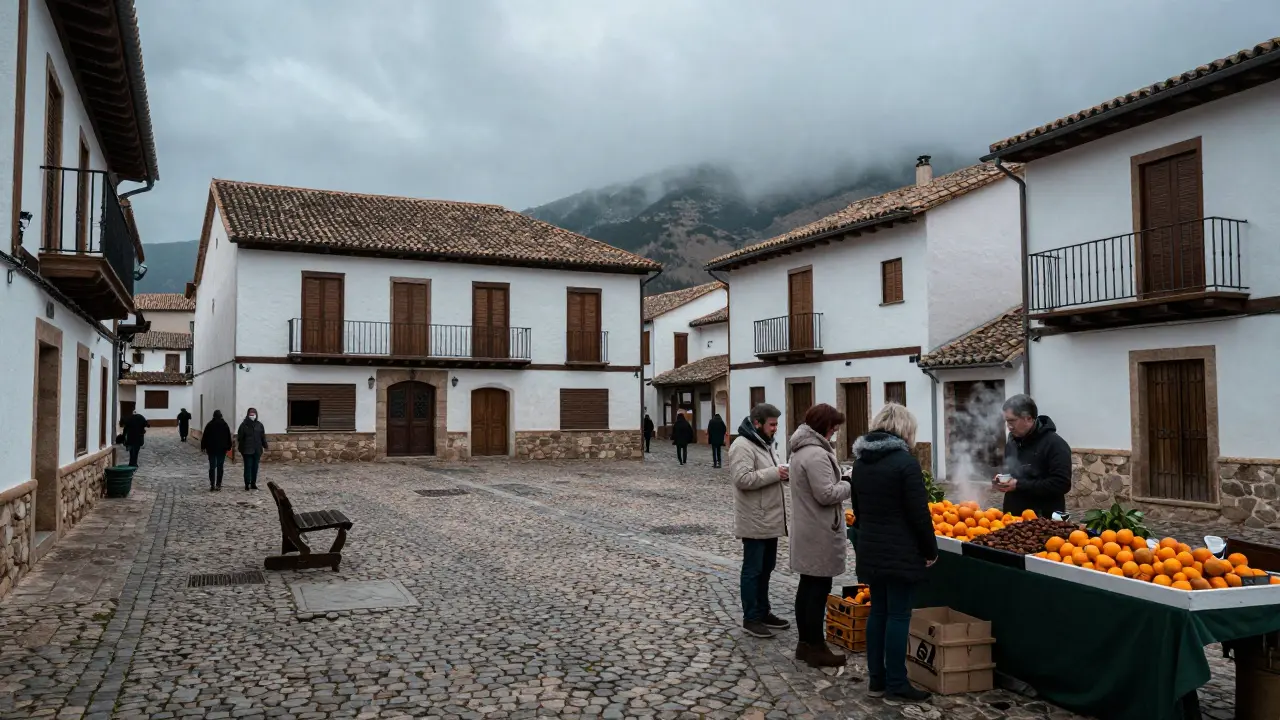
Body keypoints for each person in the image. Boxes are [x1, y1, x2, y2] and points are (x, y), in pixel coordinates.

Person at [850, 403, 937, 702]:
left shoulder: (861, 463)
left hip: (871, 548)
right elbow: (919, 514)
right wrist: (930, 549)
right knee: (899, 616)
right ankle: (897, 684)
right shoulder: (905, 463)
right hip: (901, 550)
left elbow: (858, 511)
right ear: (904, 429)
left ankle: (877, 680)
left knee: (879, 612)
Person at [788, 403, 852, 668]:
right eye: (834, 425)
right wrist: (849, 482)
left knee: (808, 587)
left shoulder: (801, 451)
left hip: (808, 528)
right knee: (817, 590)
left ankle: (805, 644)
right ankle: (815, 646)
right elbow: (825, 494)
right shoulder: (815, 455)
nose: (836, 430)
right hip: (819, 530)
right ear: (824, 425)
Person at [728, 403, 791, 639]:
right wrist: (777, 473)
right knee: (753, 570)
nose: (775, 429)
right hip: (754, 520)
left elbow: (769, 473)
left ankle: (763, 612)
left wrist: (783, 472)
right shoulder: (742, 446)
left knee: (766, 568)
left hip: (769, 519)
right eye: (772, 424)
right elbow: (742, 479)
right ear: (757, 423)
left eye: (776, 424)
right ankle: (751, 617)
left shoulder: (765, 443)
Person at [995, 394, 1072, 518]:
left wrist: (1018, 485)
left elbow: (1061, 484)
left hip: (1043, 521)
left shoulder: (1055, 444)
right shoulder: (1012, 443)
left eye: (1012, 421)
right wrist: (1002, 480)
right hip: (1012, 519)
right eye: (1006, 421)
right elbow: (1011, 474)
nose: (1008, 426)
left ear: (1028, 419)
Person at [200, 410, 233, 492]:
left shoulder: (209, 425)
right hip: (222, 450)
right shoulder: (224, 425)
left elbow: (205, 436)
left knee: (212, 467)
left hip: (211, 449)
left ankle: (212, 484)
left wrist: (203, 446)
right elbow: (228, 437)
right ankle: (218, 484)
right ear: (221, 416)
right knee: (220, 467)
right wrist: (229, 446)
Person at [237, 407, 268, 491]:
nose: (252, 415)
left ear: (256, 414)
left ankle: (253, 483)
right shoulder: (243, 425)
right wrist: (243, 447)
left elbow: (262, 436)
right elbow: (240, 437)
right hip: (247, 450)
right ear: (248, 414)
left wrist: (265, 445)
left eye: (253, 414)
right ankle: (247, 483)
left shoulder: (259, 425)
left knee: (255, 467)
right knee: (248, 467)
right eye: (251, 414)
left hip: (257, 450)